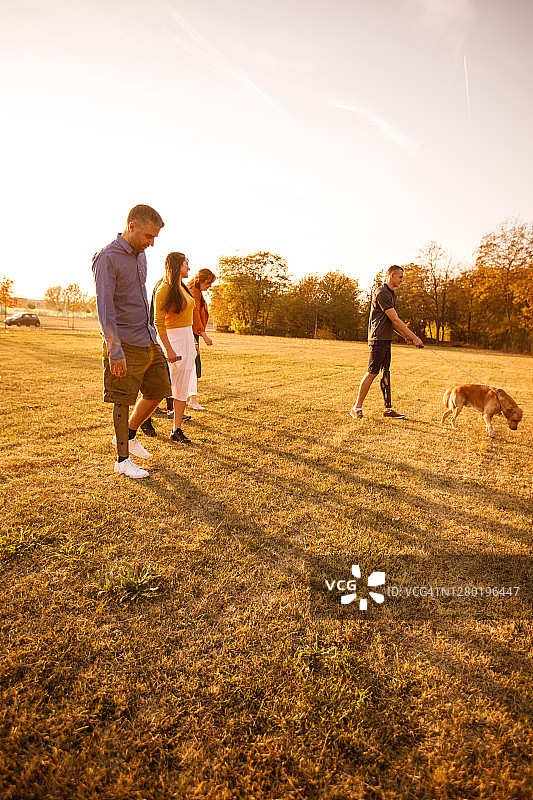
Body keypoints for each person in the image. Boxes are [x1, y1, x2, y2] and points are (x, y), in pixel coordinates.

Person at [92, 204, 171, 479]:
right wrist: (114, 350)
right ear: (132, 226)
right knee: (122, 399)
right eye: (149, 236)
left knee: (161, 387)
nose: (151, 243)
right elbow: (105, 310)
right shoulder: (107, 258)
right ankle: (122, 460)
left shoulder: (140, 257)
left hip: (146, 336)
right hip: (123, 342)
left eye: (155, 239)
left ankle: (129, 435)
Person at [350, 265, 423, 420]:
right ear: (391, 275)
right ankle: (356, 408)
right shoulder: (382, 293)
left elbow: (391, 322)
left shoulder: (390, 293)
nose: (402, 280)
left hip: (386, 339)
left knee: (386, 374)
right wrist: (415, 337)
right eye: (400, 277)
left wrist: (405, 336)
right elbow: (395, 319)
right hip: (377, 339)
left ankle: (388, 409)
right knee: (372, 372)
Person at [153, 252, 197, 444]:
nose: (189, 267)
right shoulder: (164, 289)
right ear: (178, 265)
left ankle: (176, 429)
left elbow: (187, 317)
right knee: (161, 386)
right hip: (171, 340)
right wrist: (169, 349)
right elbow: (158, 322)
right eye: (187, 264)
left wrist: (192, 341)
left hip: (186, 338)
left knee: (182, 386)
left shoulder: (183, 288)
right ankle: (142, 421)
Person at [186, 268, 216, 411]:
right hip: (191, 333)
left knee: (192, 366)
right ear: (202, 280)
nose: (210, 286)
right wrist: (203, 335)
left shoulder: (195, 290)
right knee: (193, 366)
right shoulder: (194, 292)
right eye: (208, 283)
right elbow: (194, 314)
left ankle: (191, 399)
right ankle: (192, 400)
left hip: (193, 332)